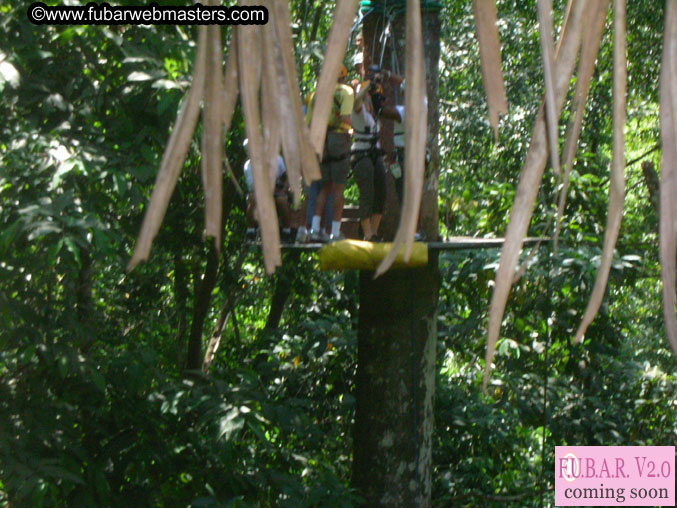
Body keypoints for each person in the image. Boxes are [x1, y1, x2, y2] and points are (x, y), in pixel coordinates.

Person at [304, 64, 354, 242]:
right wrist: (351, 132)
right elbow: (345, 118)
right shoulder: (345, 91)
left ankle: (315, 230)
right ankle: (335, 231)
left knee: (325, 187)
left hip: (321, 142)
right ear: (343, 78)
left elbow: (308, 123)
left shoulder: (317, 94)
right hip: (338, 140)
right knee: (339, 187)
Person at [351, 52, 386, 241]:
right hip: (361, 153)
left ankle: (374, 232)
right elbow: (357, 102)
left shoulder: (374, 112)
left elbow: (381, 104)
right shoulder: (358, 110)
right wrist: (365, 88)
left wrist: (377, 86)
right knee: (367, 192)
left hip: (375, 153)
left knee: (381, 191)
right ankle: (367, 234)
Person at [243, 143, 292, 242]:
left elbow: (286, 177)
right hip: (259, 193)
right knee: (253, 199)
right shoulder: (249, 166)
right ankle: (251, 230)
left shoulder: (277, 159)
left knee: (282, 200)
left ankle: (287, 231)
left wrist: (284, 189)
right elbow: (253, 186)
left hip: (276, 191)